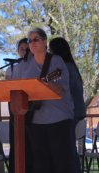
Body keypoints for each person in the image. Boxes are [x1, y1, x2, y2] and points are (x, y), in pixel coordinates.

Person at [11, 28, 78, 173]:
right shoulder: (24, 66)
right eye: (30, 40)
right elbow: (17, 88)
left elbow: (60, 89)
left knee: (61, 163)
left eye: (36, 39)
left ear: (44, 41)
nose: (32, 43)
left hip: (58, 119)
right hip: (35, 121)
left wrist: (45, 85)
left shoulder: (56, 61)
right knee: (41, 164)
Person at [49, 37, 86, 173]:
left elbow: (47, 83)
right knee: (70, 149)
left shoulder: (61, 67)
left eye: (50, 49)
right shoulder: (72, 65)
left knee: (67, 150)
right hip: (78, 111)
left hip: (69, 113)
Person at [5, 37, 29, 173]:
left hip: (32, 109)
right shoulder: (11, 69)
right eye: (22, 49)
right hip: (15, 109)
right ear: (18, 51)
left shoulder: (36, 65)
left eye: (27, 49)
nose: (24, 51)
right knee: (17, 143)